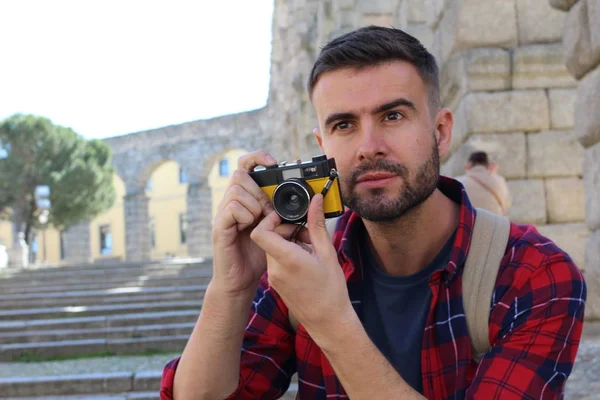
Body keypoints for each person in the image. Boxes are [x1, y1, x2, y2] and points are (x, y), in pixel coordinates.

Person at [160, 26, 586, 400]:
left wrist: (331, 321)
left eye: (393, 115)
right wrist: (231, 288)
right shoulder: (301, 268)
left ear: (440, 133)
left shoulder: (536, 274)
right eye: (343, 125)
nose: (369, 145)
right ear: (322, 146)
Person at [456, 151, 511, 216]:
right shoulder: (499, 181)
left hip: (467, 223)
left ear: (468, 165)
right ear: (488, 165)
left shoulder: (458, 181)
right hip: (494, 223)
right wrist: (493, 174)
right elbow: (506, 206)